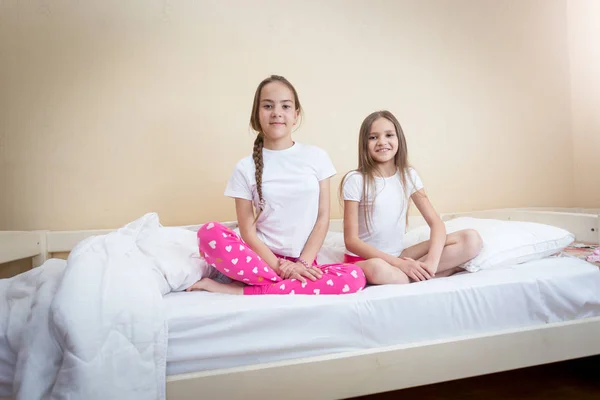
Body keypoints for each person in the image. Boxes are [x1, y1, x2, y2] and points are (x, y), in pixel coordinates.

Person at [186, 75, 366, 295]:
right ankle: (275, 283)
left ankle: (244, 290)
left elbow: (322, 217)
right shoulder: (245, 167)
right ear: (257, 114)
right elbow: (248, 231)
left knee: (355, 277)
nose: (277, 112)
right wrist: (281, 267)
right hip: (261, 260)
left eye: (285, 106)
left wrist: (303, 264)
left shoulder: (317, 157)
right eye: (268, 106)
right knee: (209, 232)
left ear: (296, 115)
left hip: (304, 262)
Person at [340, 110, 482, 285]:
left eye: (389, 135)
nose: (382, 142)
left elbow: (436, 224)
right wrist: (400, 265)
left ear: (398, 138)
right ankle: (443, 272)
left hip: (399, 256)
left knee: (471, 239)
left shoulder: (408, 176)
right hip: (367, 261)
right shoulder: (356, 180)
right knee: (379, 269)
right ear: (364, 143)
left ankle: (424, 273)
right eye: (373, 137)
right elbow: (351, 241)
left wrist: (432, 262)